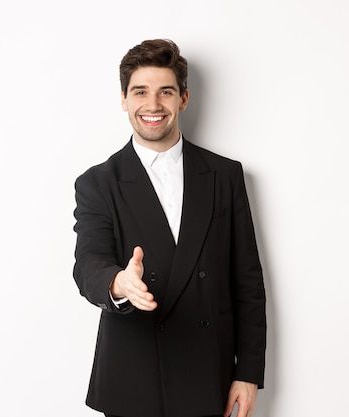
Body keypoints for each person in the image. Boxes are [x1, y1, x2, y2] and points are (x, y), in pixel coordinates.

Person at [73, 39, 267, 417]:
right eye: (140, 92)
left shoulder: (224, 175)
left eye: (165, 91)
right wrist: (119, 283)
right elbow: (88, 263)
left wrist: (248, 372)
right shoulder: (98, 182)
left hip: (208, 372)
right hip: (134, 376)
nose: (153, 105)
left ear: (183, 98)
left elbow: (248, 281)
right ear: (124, 99)